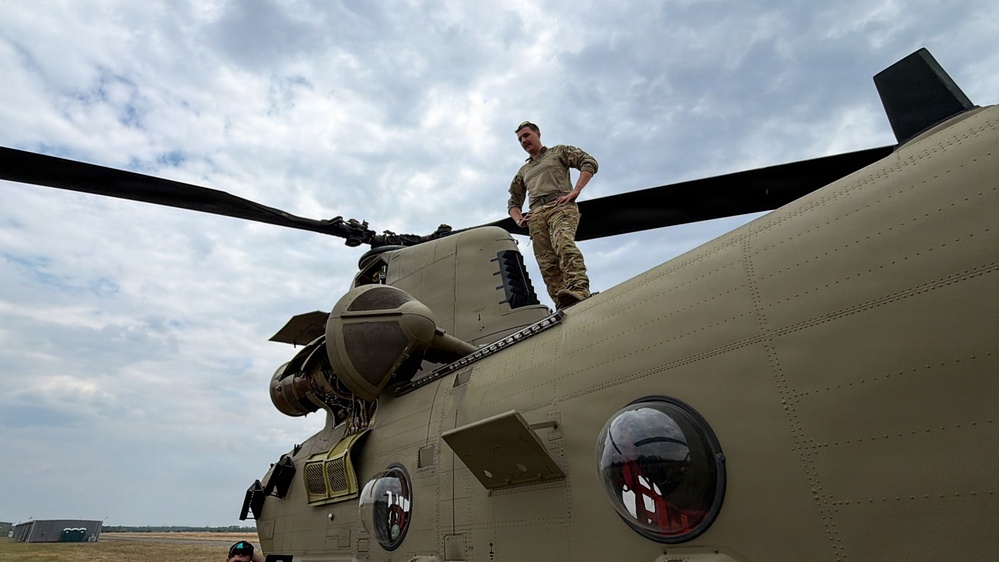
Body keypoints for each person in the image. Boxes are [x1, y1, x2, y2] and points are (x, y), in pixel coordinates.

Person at [508, 121, 598, 308]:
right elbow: (513, 202)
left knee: (563, 243)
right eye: (520, 139)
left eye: (526, 135)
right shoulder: (524, 171)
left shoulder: (558, 152)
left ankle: (579, 289)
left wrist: (576, 190)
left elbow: (588, 162)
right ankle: (561, 301)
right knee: (547, 263)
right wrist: (519, 220)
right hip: (536, 217)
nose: (524, 141)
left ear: (538, 134)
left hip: (560, 206)